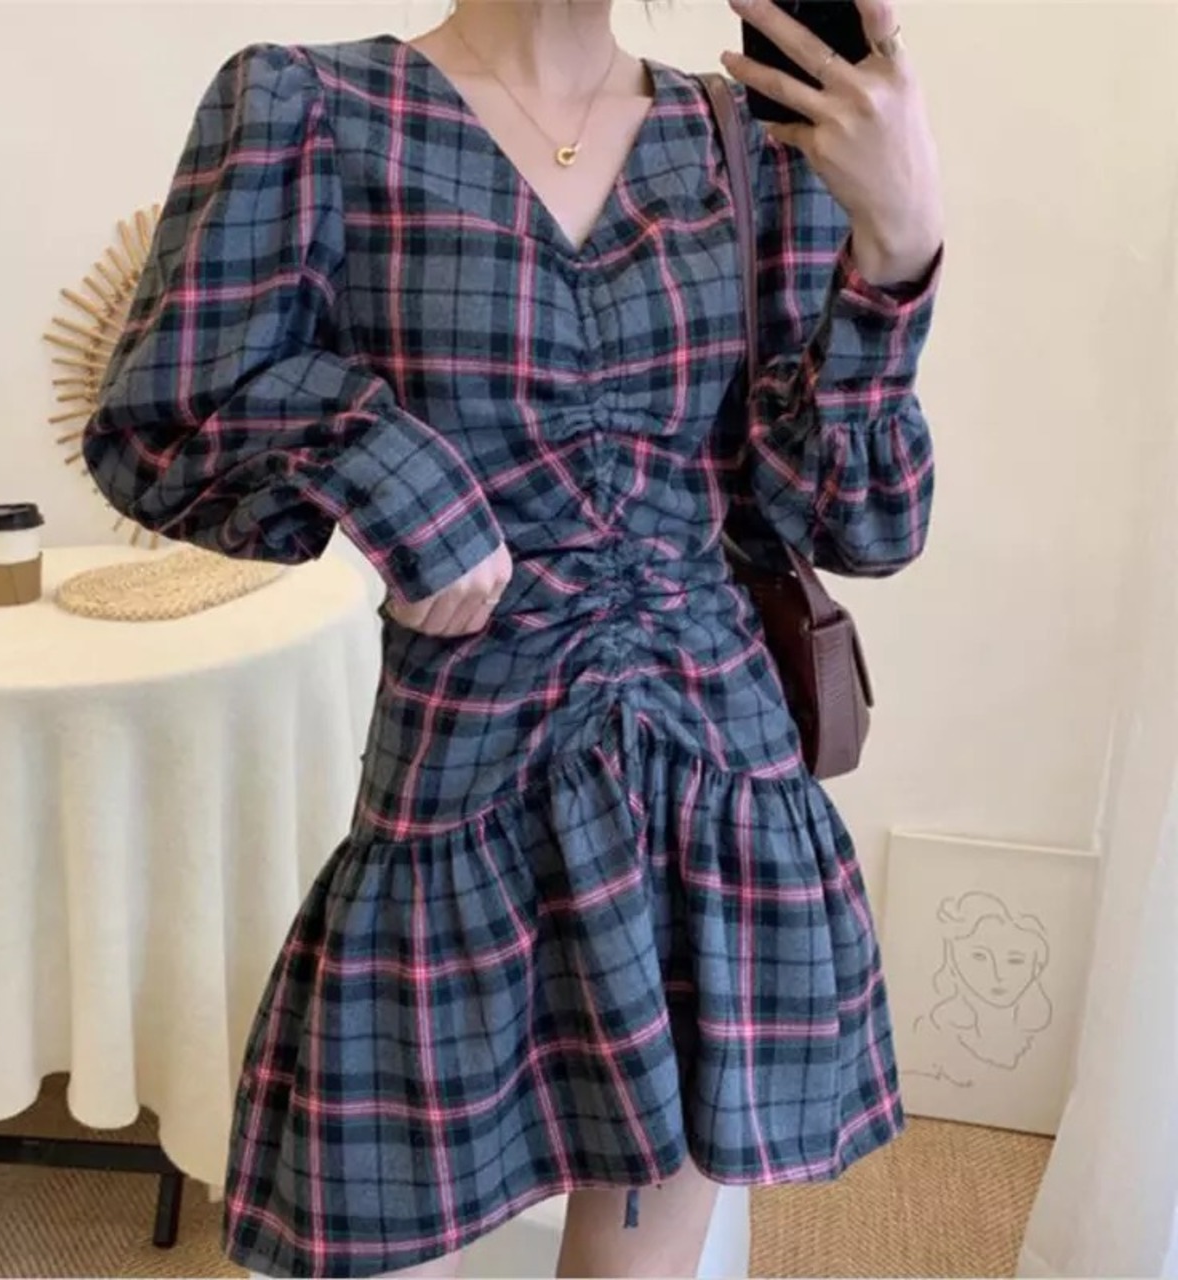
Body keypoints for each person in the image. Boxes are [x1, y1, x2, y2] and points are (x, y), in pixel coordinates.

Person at [84, 0, 943, 1274]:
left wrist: (897, 244)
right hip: (466, 776)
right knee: (382, 1209)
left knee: (637, 1244)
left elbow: (850, 520)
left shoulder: (744, 146)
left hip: (710, 782)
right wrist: (389, 468)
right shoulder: (309, 108)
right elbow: (160, 415)